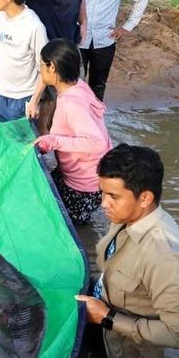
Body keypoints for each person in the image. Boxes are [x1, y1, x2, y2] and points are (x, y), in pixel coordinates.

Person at [76, 144, 179, 358]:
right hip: (102, 315)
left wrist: (107, 318)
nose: (103, 204)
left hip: (125, 356)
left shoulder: (165, 256)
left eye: (113, 196)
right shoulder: (126, 216)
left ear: (145, 198)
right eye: (102, 193)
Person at [33, 39, 111, 224]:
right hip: (81, 175)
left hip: (83, 186)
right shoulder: (79, 86)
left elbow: (96, 142)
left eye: (41, 65)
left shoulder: (71, 103)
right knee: (42, 202)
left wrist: (54, 141)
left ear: (52, 68)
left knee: (62, 227)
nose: (40, 70)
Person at [80, 0, 148, 101]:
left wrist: (127, 26)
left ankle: (94, 122)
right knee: (74, 85)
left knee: (98, 86)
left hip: (105, 40)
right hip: (78, 39)